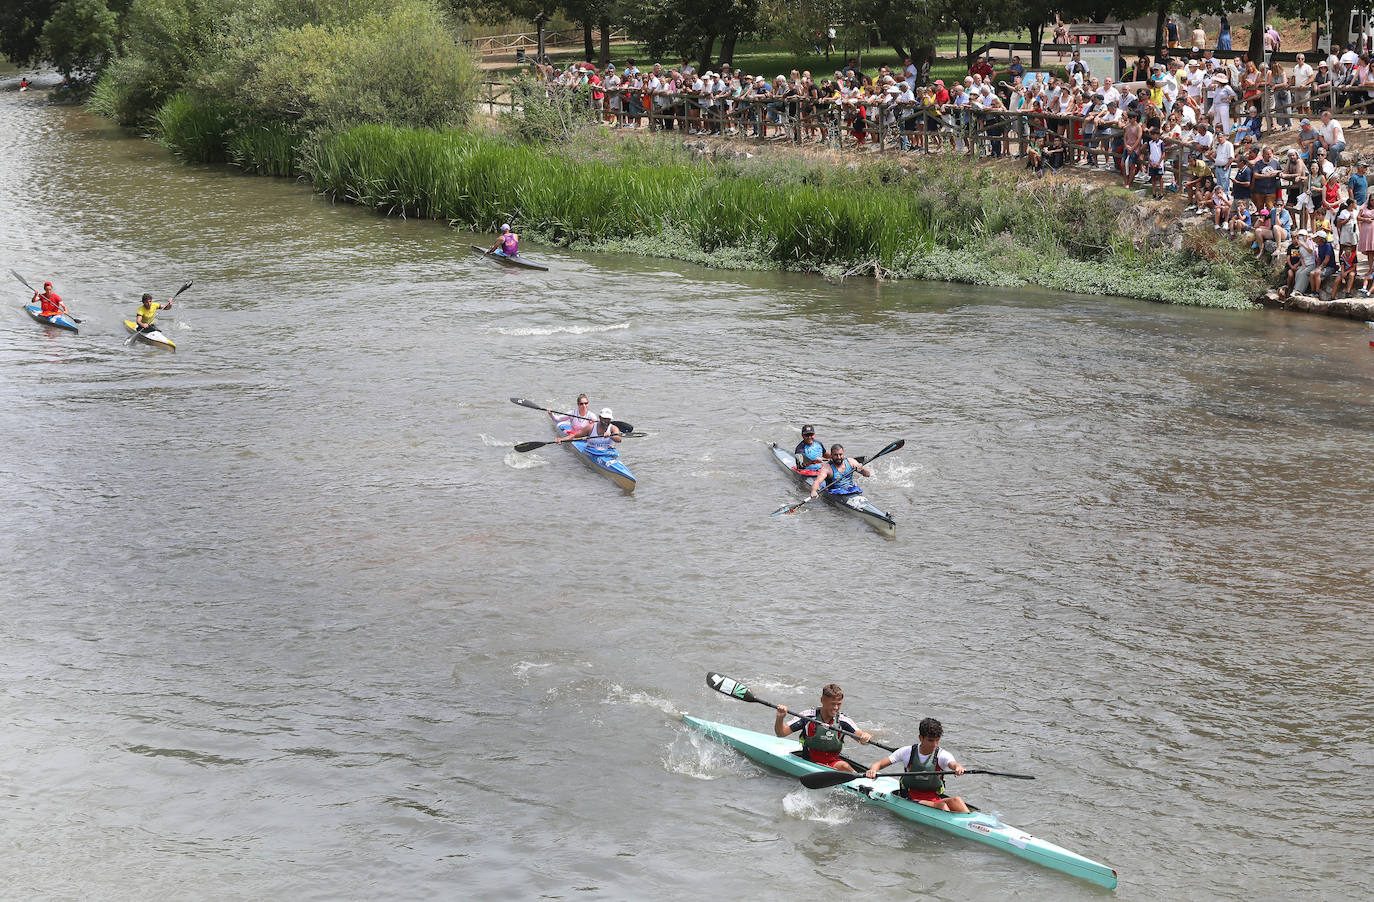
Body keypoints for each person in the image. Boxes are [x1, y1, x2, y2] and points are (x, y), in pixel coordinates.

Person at [864, 717, 970, 813]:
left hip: (935, 798)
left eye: (937, 740)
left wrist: (958, 767)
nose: (934, 744)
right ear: (920, 738)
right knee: (942, 806)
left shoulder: (942, 755)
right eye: (930, 740)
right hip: (912, 798)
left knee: (957, 800)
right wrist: (873, 770)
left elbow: (953, 764)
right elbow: (878, 764)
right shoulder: (907, 752)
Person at [774, 683, 872, 772]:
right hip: (809, 762)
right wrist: (780, 718)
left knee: (845, 766)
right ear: (822, 701)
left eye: (839, 704)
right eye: (833, 704)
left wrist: (865, 737)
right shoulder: (808, 716)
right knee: (843, 766)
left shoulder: (843, 720)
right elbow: (781, 733)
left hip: (833, 763)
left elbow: (860, 738)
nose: (836, 708)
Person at [557, 407, 621, 451]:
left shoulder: (613, 428)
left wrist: (611, 436)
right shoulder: (590, 427)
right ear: (600, 417)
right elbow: (574, 435)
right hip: (592, 452)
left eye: (608, 419)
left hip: (608, 453)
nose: (606, 420)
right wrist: (562, 439)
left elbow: (619, 440)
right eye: (604, 418)